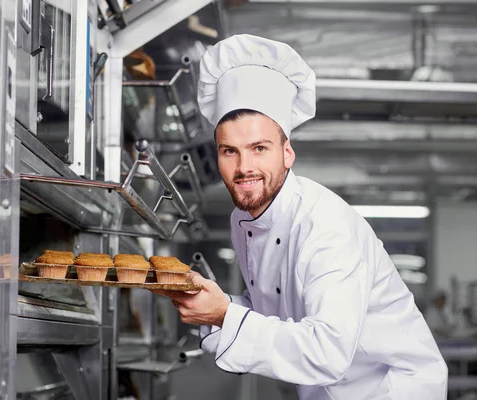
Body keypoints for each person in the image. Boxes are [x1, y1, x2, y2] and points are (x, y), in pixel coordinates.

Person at [153, 34, 448, 399]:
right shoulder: (243, 218)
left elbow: (328, 351)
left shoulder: (325, 227)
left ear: (287, 153)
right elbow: (275, 307)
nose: (245, 167)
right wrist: (212, 299)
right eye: (230, 151)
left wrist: (224, 315)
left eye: (259, 148)